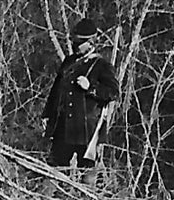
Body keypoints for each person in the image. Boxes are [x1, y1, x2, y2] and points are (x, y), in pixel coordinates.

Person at [42, 16, 119, 187]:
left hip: (86, 129)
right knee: (55, 169)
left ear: (91, 42)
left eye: (80, 42)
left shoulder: (101, 65)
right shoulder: (69, 62)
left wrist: (90, 88)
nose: (76, 45)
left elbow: (113, 92)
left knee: (87, 173)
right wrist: (48, 114)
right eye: (75, 41)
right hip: (62, 127)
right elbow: (56, 90)